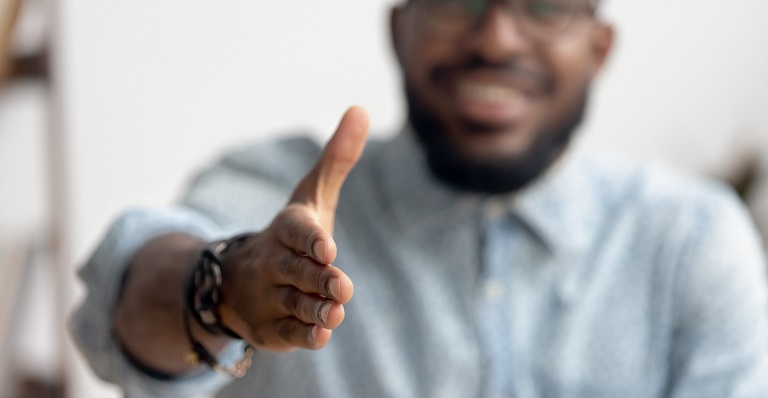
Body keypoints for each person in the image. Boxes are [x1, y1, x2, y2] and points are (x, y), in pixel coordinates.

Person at [70, 1, 768, 397]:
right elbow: (126, 302)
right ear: (399, 30)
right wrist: (222, 287)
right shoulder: (275, 190)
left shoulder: (692, 241)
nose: (495, 37)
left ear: (600, 47)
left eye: (547, 5)